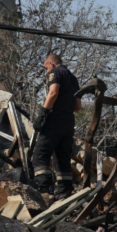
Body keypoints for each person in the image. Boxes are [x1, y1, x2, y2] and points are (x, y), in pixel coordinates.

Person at [32, 53, 81, 196]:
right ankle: (65, 191)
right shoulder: (73, 78)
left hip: (54, 119)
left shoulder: (55, 72)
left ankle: (45, 190)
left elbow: (53, 93)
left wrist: (42, 113)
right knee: (62, 158)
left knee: (40, 154)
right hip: (68, 122)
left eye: (45, 67)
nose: (46, 71)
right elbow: (78, 106)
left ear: (51, 64)